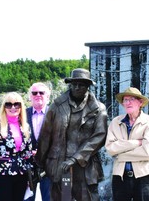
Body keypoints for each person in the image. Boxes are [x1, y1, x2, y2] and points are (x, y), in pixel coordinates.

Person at [35, 68, 108, 201]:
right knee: (64, 198)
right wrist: (39, 164)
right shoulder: (57, 106)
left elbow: (99, 136)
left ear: (88, 87)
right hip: (61, 165)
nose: (76, 87)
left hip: (85, 166)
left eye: (81, 84)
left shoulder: (98, 108)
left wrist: (76, 157)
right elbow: (45, 136)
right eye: (74, 84)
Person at [105, 87, 149, 201]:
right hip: (120, 176)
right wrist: (136, 143)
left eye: (132, 99)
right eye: (125, 100)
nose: (128, 102)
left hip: (144, 176)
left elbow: (148, 152)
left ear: (140, 102)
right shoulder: (116, 122)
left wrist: (121, 154)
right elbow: (110, 148)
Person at [0, 92, 33, 201]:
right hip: (2, 175)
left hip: (21, 175)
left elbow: (28, 155)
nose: (13, 107)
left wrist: (30, 178)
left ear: (21, 107)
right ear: (4, 107)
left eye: (16, 104)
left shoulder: (25, 127)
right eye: (8, 104)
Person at [25, 82, 51, 201]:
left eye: (42, 92)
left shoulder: (56, 115)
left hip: (49, 167)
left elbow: (61, 140)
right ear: (30, 96)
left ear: (48, 96)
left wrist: (43, 153)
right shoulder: (22, 115)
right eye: (34, 93)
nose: (38, 95)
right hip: (27, 167)